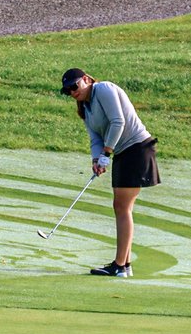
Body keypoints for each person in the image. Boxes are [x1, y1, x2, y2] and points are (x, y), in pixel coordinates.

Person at [60, 67, 160, 277]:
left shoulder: (103, 89)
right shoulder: (85, 108)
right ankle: (125, 264)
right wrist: (97, 159)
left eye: (74, 86)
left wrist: (107, 152)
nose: (72, 92)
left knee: (121, 207)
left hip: (137, 148)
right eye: (67, 90)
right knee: (122, 207)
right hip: (124, 152)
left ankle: (120, 265)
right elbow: (95, 138)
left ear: (86, 79)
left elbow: (118, 121)